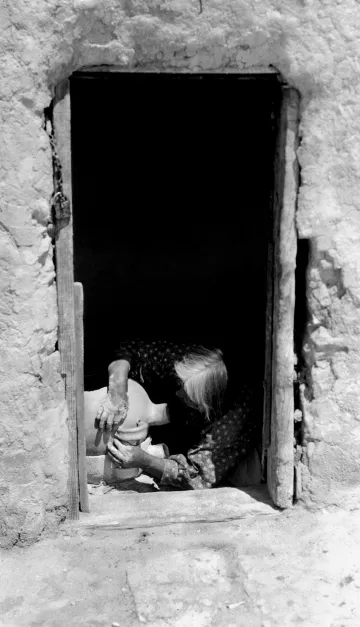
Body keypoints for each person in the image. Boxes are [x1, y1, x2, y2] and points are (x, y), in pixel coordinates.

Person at [96, 339, 260, 490]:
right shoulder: (191, 360)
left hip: (213, 446)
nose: (178, 393)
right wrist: (117, 388)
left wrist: (144, 460)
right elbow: (129, 349)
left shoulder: (230, 423)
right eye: (180, 384)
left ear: (206, 406)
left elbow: (198, 478)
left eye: (188, 396)